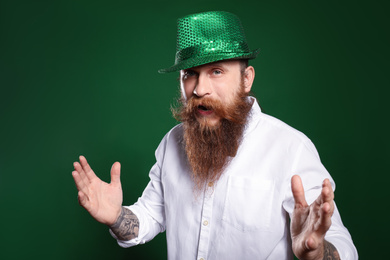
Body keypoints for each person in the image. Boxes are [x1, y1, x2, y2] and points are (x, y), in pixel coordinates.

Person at [72, 11, 358, 260]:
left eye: (217, 71)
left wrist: (317, 252)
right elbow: (149, 216)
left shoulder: (291, 149)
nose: (199, 89)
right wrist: (116, 216)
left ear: (247, 80)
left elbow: (342, 248)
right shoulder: (173, 142)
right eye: (190, 74)